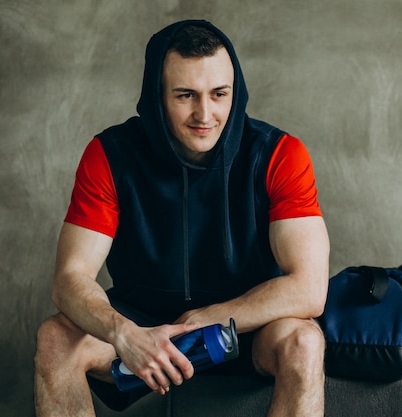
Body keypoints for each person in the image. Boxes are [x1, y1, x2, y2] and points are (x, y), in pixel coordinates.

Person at [34, 19, 330, 417]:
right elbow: (69, 279)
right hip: (142, 327)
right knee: (55, 339)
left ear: (235, 92)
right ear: (157, 98)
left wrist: (208, 318)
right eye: (185, 95)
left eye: (219, 94)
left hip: (246, 329)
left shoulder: (280, 154)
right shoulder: (110, 155)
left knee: (304, 341)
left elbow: (309, 288)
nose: (204, 114)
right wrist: (124, 334)